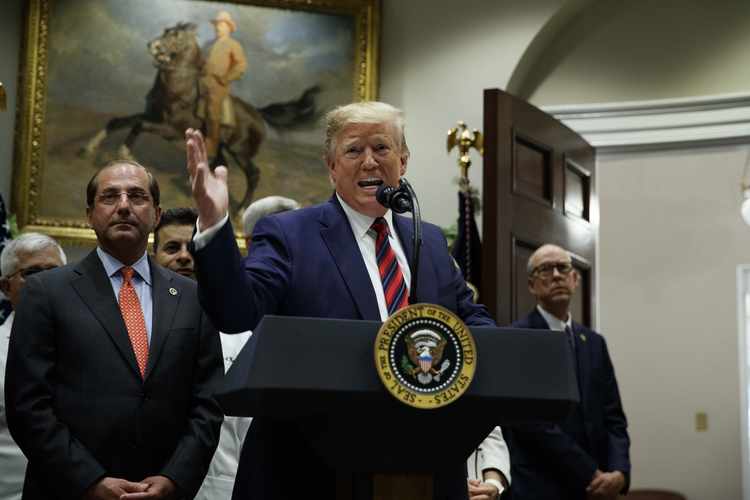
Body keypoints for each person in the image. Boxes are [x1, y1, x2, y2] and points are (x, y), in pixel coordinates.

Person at [184, 101, 508, 499]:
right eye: (354, 150)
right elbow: (236, 312)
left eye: (382, 148)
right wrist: (214, 224)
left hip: (426, 463)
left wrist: (502, 356)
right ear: (332, 166)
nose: (369, 161)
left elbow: (472, 324)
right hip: (309, 471)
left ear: (403, 161)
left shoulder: (431, 241)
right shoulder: (290, 234)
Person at [5, 160, 224, 500]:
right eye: (109, 197)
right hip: (68, 490)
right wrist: (89, 481)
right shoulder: (46, 292)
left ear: (156, 215)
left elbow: (209, 402)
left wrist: (175, 478)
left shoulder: (193, 296)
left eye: (137, 196)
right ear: (90, 215)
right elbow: (27, 405)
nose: (123, 206)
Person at [508, 244, 631, 500]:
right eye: (545, 269)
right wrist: (591, 474)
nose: (556, 276)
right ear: (531, 285)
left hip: (598, 490)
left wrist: (619, 472)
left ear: (574, 279)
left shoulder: (594, 342)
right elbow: (530, 420)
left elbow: (614, 417)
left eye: (562, 268)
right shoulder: (517, 338)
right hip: (541, 487)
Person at [152, 207, 251, 500]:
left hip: (225, 487)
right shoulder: (136, 324)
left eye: (193, 248)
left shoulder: (242, 330)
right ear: (153, 257)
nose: (184, 256)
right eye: (172, 248)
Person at [0, 233, 66, 500]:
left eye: (54, 272)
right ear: (6, 286)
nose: (46, 281)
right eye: (33, 273)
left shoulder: (96, 340)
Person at [201, 10, 248, 158]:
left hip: (218, 86)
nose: (217, 27)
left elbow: (241, 65)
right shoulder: (209, 44)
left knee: (212, 111)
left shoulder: (233, 45)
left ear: (229, 27)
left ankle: (211, 148)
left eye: (221, 25)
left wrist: (226, 78)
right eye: (216, 25)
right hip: (203, 82)